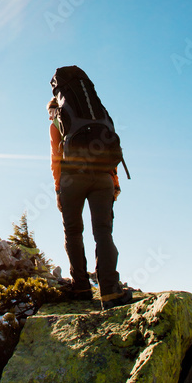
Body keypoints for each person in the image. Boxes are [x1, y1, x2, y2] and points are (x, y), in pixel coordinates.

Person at [48, 96, 132, 310]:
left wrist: (58, 188)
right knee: (103, 233)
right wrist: (114, 182)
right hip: (103, 177)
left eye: (50, 112)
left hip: (71, 179)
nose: (49, 117)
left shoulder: (56, 124)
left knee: (73, 232)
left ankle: (81, 289)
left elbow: (56, 158)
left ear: (56, 108)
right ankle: (111, 292)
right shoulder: (96, 117)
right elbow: (109, 153)